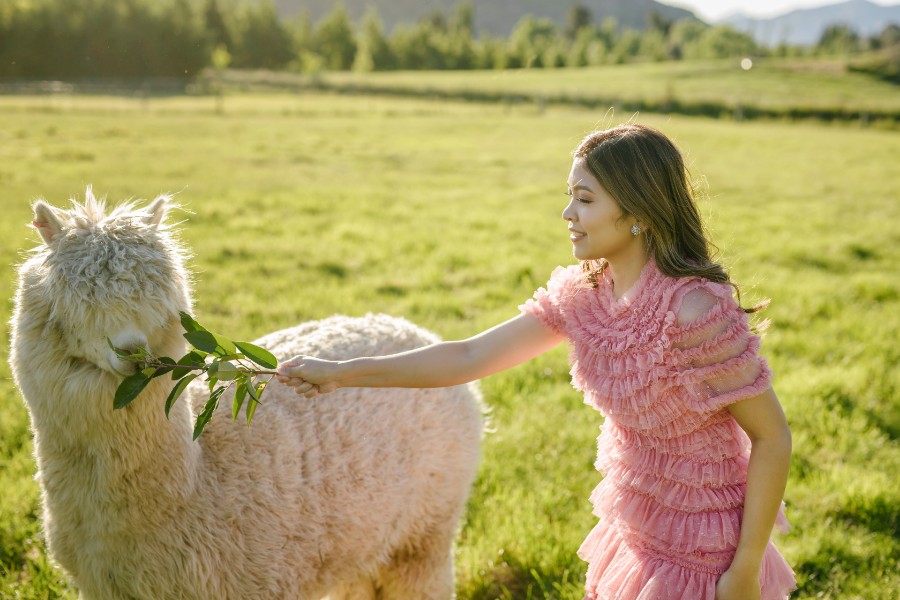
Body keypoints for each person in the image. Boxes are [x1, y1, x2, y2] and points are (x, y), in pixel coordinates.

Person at [276, 123, 797, 600]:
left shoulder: (693, 310)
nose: (568, 214)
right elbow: (469, 355)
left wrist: (745, 569)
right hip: (637, 522)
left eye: (584, 199)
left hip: (705, 545)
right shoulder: (585, 292)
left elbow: (772, 437)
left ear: (637, 213)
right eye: (570, 197)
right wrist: (341, 375)